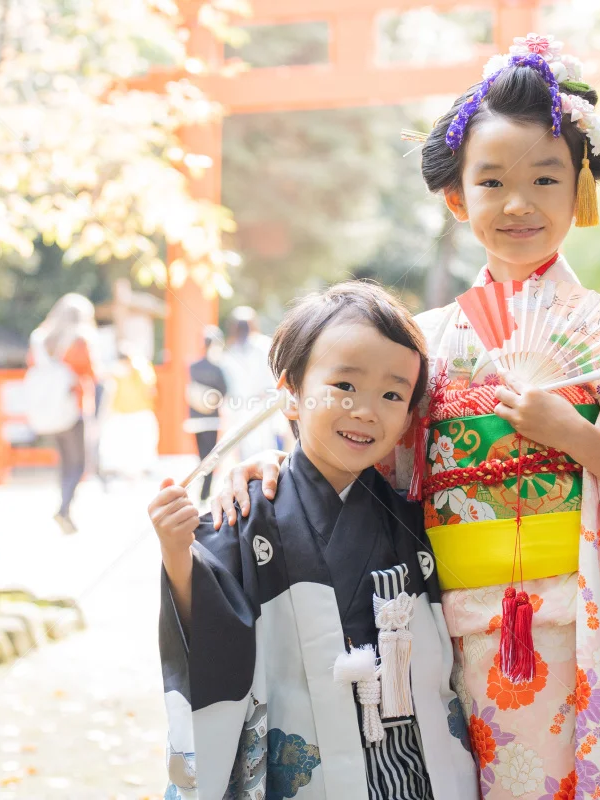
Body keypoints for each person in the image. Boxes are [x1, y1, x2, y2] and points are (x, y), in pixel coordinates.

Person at [211, 34, 600, 800]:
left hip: (592, 631)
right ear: (457, 197)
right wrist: (265, 462)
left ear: (579, 189)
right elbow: (362, 449)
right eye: (492, 182)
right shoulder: (420, 343)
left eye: (545, 179)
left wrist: (577, 436)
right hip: (446, 635)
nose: (518, 204)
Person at [149, 282, 477, 800]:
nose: (366, 410)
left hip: (408, 766)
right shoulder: (249, 514)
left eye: (393, 394)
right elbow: (208, 630)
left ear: (411, 416)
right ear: (291, 392)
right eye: (345, 385)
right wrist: (176, 552)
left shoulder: (412, 516)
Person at [27, 293, 98, 535]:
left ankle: (64, 508)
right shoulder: (79, 340)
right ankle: (65, 508)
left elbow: (32, 366)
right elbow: (91, 372)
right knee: (78, 464)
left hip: (50, 409)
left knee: (65, 462)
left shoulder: (41, 338)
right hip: (73, 408)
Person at [220, 306, 279, 460]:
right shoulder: (231, 351)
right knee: (246, 444)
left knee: (265, 444)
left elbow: (272, 373)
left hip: (262, 401)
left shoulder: (263, 345)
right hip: (243, 405)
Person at [99, 346, 158, 479]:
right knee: (124, 445)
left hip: (139, 413)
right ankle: (126, 471)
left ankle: (139, 470)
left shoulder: (141, 369)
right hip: (123, 413)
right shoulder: (119, 372)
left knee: (141, 444)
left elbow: (149, 390)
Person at [184, 325, 229, 502]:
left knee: (201, 455)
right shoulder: (219, 368)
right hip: (211, 417)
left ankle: (203, 488)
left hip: (195, 417)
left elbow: (189, 390)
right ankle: (205, 491)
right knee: (210, 455)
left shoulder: (193, 366)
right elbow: (224, 391)